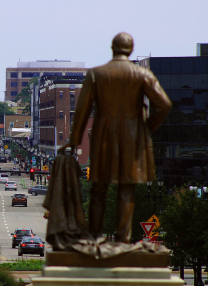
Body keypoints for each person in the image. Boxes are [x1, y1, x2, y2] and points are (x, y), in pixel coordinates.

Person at [59, 32, 172, 243]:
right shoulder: (142, 75)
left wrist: (74, 141)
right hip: (133, 137)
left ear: (112, 48)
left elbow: (82, 111)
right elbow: (164, 104)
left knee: (99, 188)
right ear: (130, 50)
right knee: (126, 189)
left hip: (104, 136)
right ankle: (122, 239)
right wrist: (147, 127)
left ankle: (93, 237)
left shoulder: (96, 74)